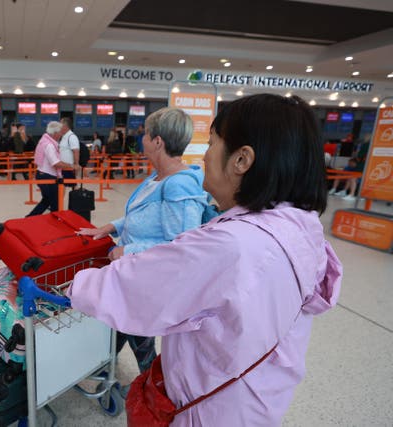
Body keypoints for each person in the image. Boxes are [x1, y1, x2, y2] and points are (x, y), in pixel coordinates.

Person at [67, 94, 342, 426]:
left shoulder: (234, 244)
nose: (204, 157)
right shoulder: (298, 227)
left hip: (213, 407)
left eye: (212, 144)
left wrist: (73, 285)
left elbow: (144, 285)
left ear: (242, 160)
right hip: (258, 394)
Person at [77, 107, 217, 375]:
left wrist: (127, 250)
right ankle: (106, 366)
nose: (141, 138)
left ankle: (152, 388)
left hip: (147, 279)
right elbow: (143, 216)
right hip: (133, 274)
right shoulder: (158, 177)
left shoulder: (179, 185)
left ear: (157, 142)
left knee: (136, 334)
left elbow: (181, 244)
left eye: (145, 134)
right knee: (120, 321)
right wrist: (109, 227)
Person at [26, 121, 79, 216]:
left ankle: (29, 218)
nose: (61, 135)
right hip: (47, 177)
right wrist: (72, 165)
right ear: (55, 133)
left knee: (47, 200)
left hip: (42, 174)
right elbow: (56, 163)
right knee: (55, 202)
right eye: (59, 133)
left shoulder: (44, 141)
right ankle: (55, 222)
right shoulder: (49, 145)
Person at [59, 117, 80, 187]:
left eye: (60, 124)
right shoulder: (64, 137)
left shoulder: (72, 137)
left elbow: (76, 151)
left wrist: (76, 165)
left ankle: (77, 198)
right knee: (62, 186)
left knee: (73, 187)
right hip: (63, 167)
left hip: (69, 168)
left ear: (65, 126)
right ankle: (60, 198)